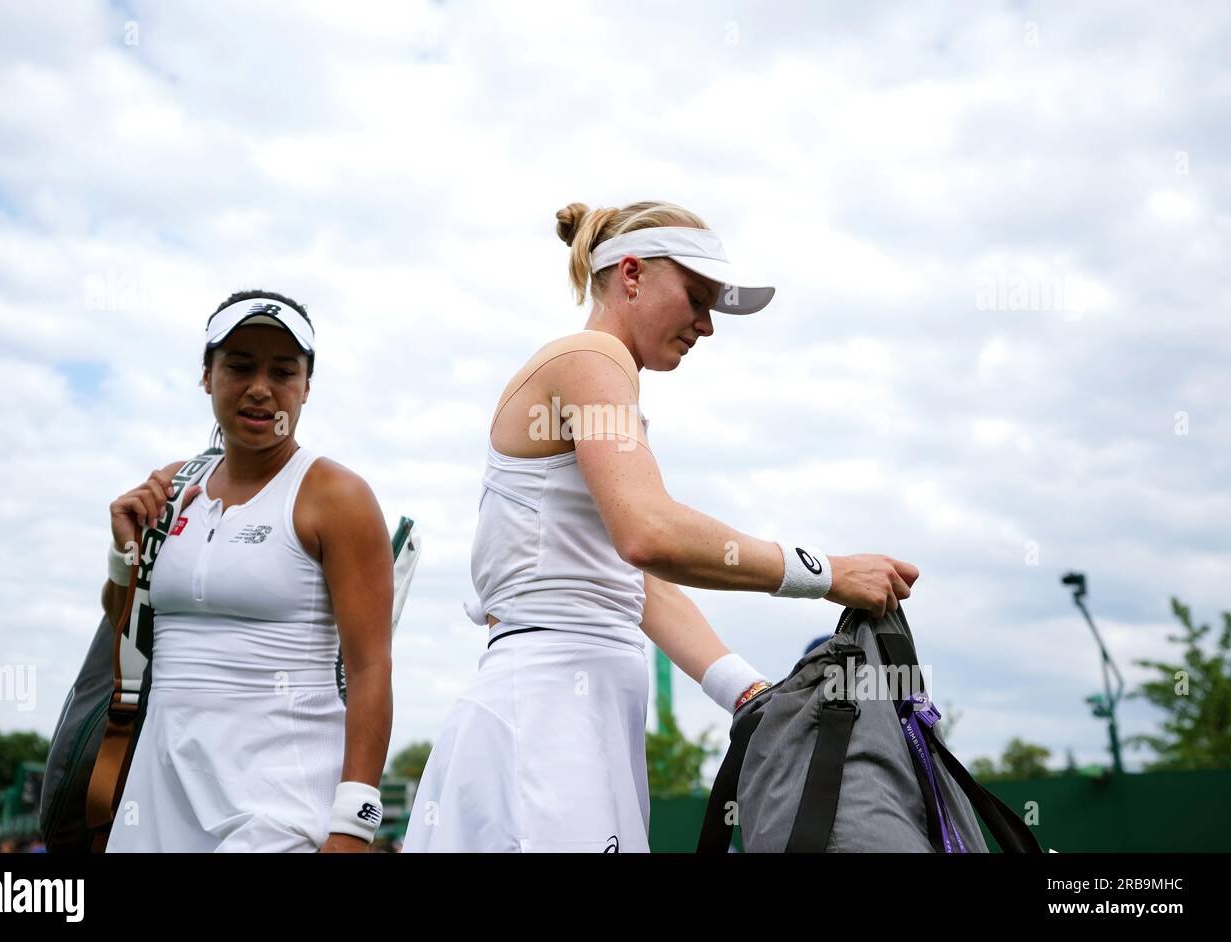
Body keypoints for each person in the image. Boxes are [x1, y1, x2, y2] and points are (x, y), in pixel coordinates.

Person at [403, 200, 919, 853]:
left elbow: (632, 579)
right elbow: (648, 533)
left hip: (566, 712)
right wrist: (827, 574)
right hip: (545, 712)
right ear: (631, 274)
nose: (707, 325)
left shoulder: (599, 373)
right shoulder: (593, 355)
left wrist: (747, 693)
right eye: (697, 299)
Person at [103, 290, 395, 852]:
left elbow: (371, 668)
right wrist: (125, 555)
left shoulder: (337, 496)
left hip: (280, 812)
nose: (261, 388)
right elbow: (130, 632)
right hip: (158, 803)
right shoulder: (174, 486)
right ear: (206, 376)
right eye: (239, 366)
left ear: (306, 387)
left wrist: (353, 825)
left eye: (283, 371)